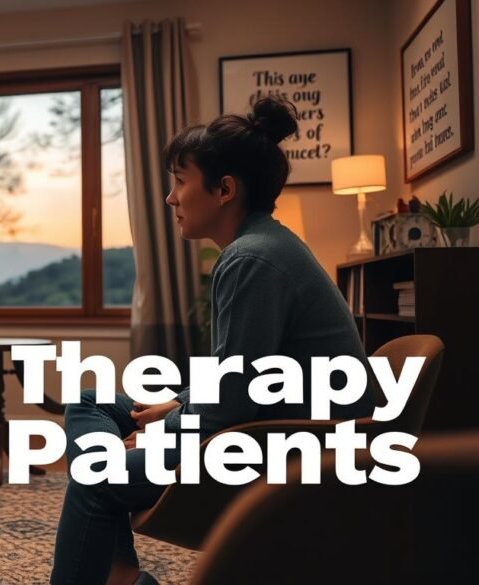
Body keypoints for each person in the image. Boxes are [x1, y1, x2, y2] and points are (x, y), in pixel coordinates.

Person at [49, 97, 376, 585]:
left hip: (285, 446)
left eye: (180, 181)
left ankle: (116, 572)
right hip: (268, 421)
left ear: (224, 189)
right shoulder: (262, 246)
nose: (170, 198)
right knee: (90, 403)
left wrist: (168, 427)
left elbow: (230, 406)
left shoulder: (252, 260)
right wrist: (177, 406)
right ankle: (117, 572)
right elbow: (239, 377)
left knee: (95, 477)